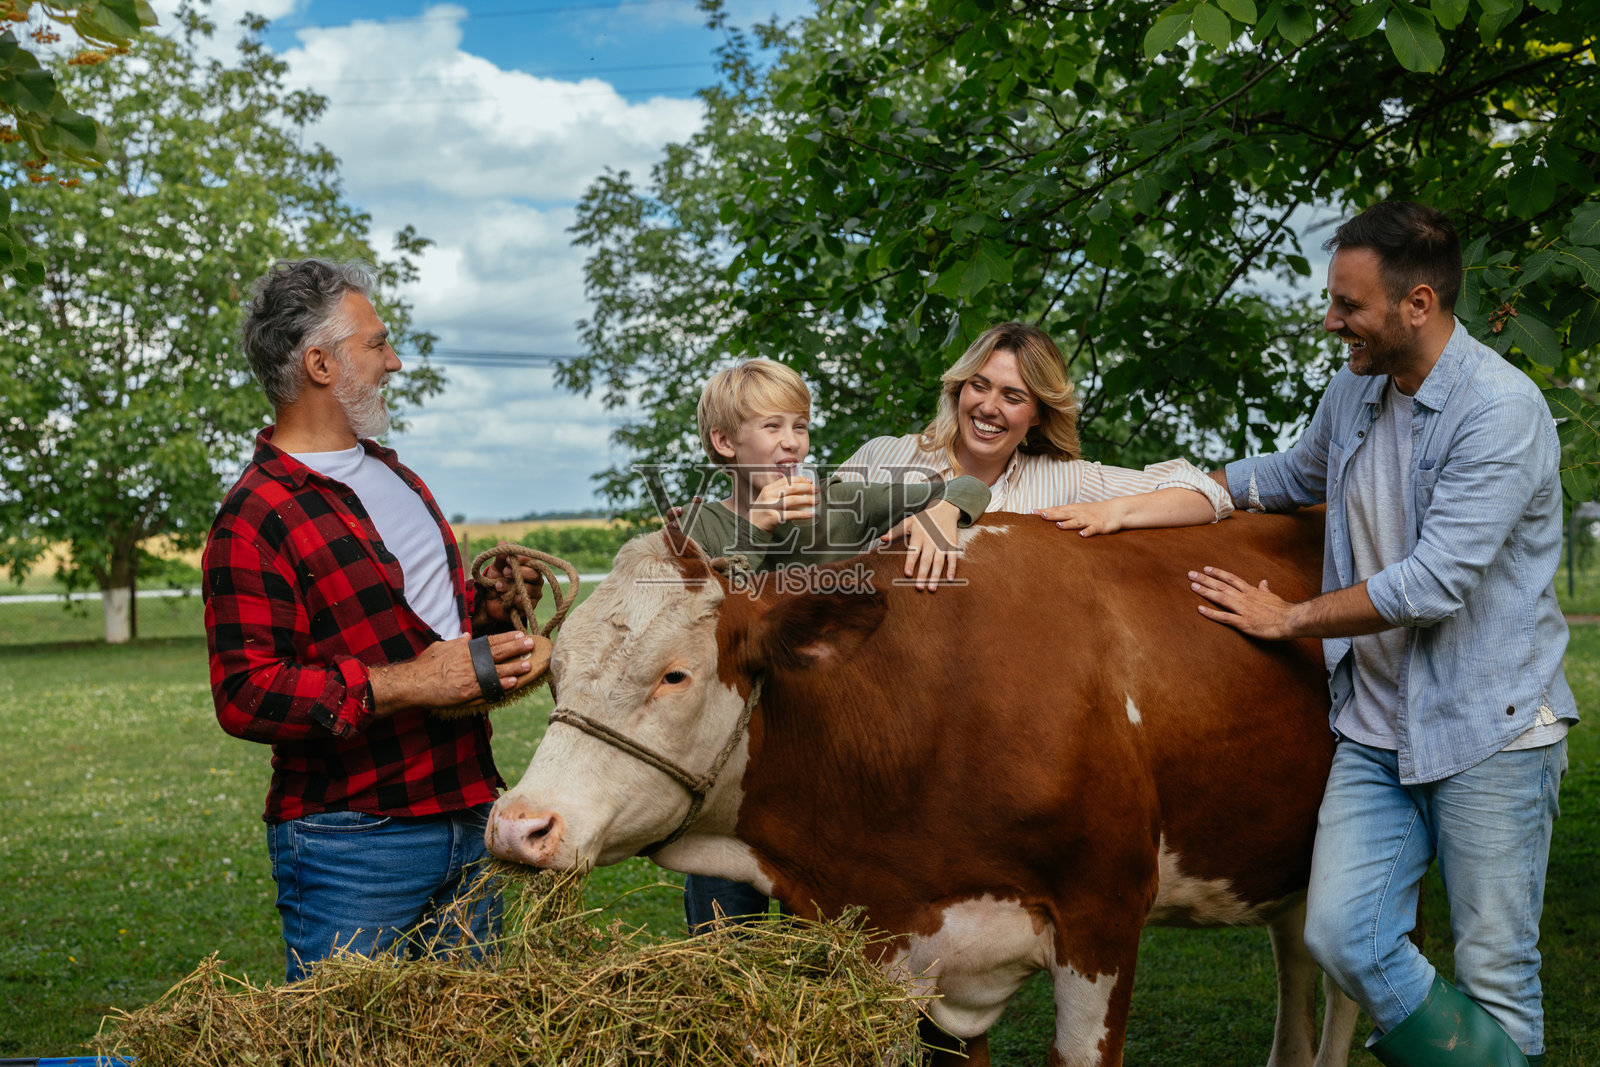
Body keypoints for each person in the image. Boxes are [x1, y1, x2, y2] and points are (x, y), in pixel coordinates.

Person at [1188, 202, 1574, 1067]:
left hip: (1493, 728)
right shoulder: (1358, 388)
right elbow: (1292, 474)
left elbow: (1434, 582)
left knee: (1496, 974)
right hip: (1375, 730)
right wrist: (1184, 490)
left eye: (1348, 306)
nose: (1331, 322)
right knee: (1340, 935)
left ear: (1418, 303)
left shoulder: (1501, 410)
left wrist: (1289, 616)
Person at [203, 259, 553, 982]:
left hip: (470, 814)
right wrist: (405, 685)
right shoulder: (254, 515)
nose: (394, 361)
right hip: (353, 840)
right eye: (377, 343)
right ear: (321, 362)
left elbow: (429, 628)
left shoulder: (397, 475)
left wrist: (484, 608)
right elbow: (245, 692)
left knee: (469, 1042)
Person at [678, 358, 992, 932]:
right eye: (771, 428)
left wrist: (946, 511)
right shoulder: (699, 528)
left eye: (799, 427)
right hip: (731, 769)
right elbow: (710, 621)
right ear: (724, 442)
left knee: (826, 944)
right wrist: (760, 527)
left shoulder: (843, 501)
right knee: (724, 946)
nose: (791, 443)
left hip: (828, 761)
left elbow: (970, 483)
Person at [838, 322, 1233, 533]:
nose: (988, 408)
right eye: (979, 386)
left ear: (1040, 414)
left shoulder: (1068, 482)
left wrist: (1114, 512)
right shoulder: (884, 455)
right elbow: (810, 540)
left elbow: (1206, 493)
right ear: (959, 388)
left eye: (1013, 397)